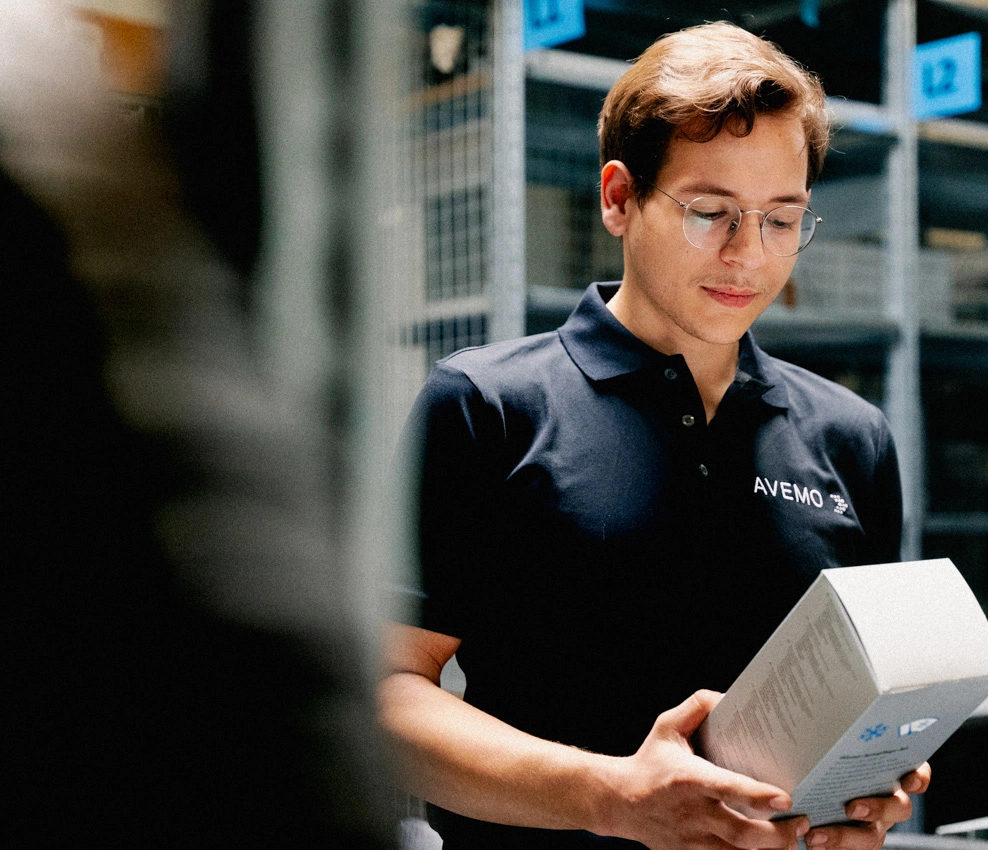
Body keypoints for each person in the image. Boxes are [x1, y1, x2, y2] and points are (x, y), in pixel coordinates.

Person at [380, 21, 930, 850]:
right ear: (617, 198)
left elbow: (871, 704)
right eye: (710, 212)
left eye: (783, 220)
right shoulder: (487, 407)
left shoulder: (852, 440)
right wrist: (611, 796)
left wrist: (867, 793)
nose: (748, 255)